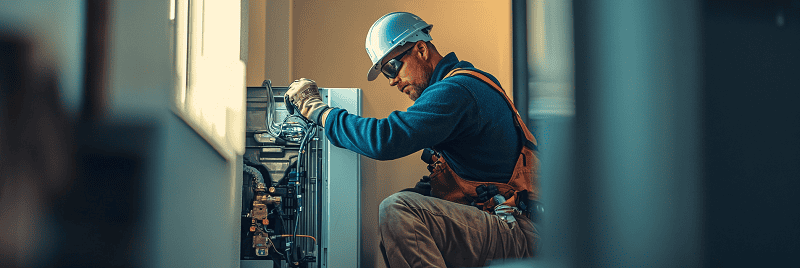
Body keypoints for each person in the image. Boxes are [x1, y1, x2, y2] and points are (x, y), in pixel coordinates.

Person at [284, 12, 539, 268]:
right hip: (508, 226)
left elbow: (385, 138)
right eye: (385, 73)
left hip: (517, 231)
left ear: (421, 49)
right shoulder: (465, 85)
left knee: (398, 211)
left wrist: (318, 111)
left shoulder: (456, 90)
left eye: (393, 67)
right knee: (407, 204)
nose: (393, 80)